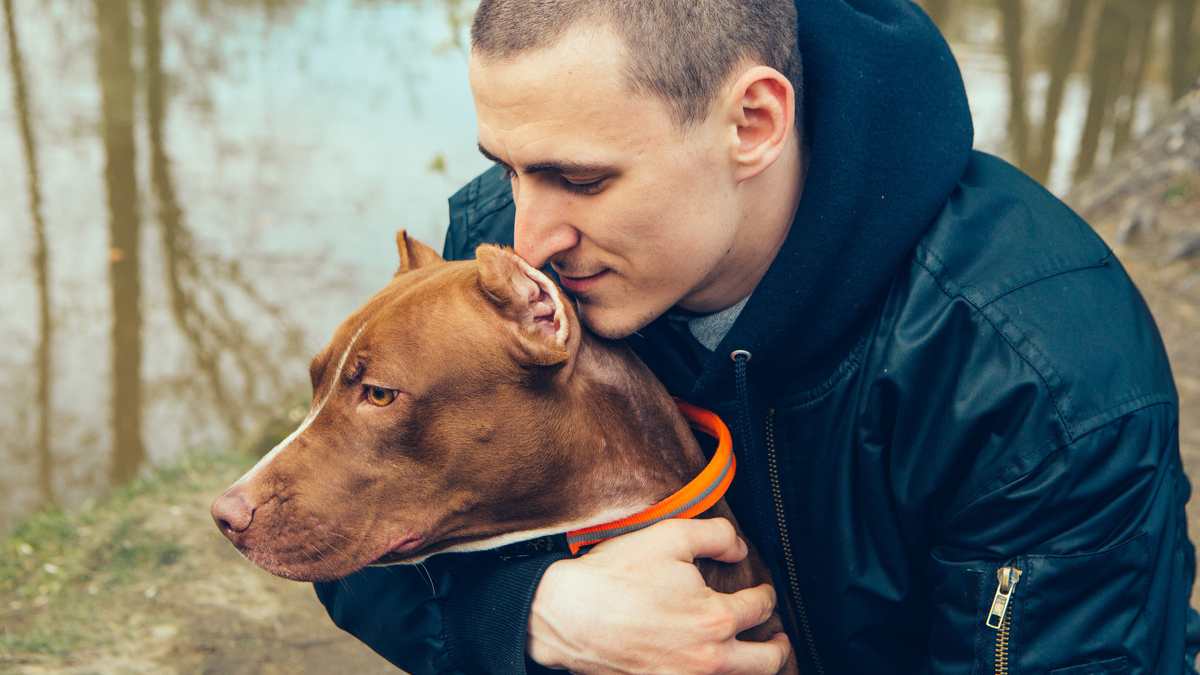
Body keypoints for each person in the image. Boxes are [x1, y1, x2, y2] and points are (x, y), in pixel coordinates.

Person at [315, 0, 1200, 672]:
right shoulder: (511, 266)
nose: (527, 236)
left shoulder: (1036, 374)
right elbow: (327, 507)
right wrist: (534, 612)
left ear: (752, 125)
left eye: (578, 178)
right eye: (505, 165)